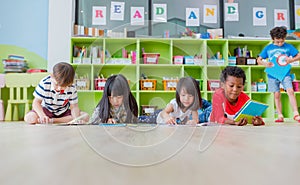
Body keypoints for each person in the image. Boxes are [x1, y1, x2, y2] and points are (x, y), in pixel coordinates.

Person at [257, 26, 300, 123]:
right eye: (277, 41)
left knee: (290, 91)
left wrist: (292, 60)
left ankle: (296, 113)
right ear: (273, 39)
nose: (280, 44)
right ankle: (280, 115)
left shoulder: (288, 47)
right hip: (272, 74)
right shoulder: (268, 48)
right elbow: (259, 60)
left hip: (285, 73)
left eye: (282, 41)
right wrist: (265, 63)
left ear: (285, 38)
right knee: (276, 94)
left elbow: (298, 55)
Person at [24, 62, 89, 124]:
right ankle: (48, 119)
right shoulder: (45, 83)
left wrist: (75, 119)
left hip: (63, 112)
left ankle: (53, 120)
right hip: (46, 110)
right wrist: (42, 115)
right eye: (56, 84)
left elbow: (74, 106)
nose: (59, 88)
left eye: (63, 86)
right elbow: (36, 102)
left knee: (85, 116)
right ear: (52, 77)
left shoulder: (72, 87)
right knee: (30, 118)